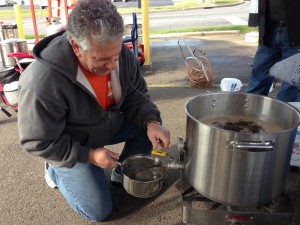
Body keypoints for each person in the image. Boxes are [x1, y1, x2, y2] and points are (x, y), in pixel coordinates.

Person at [17, 0, 170, 222]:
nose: (111, 66)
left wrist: (151, 122)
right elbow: (36, 141)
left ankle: (121, 171)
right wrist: (88, 155)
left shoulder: (119, 55)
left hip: (107, 123)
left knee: (150, 124)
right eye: (102, 59)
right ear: (76, 47)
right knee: (98, 211)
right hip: (71, 140)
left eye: (115, 56)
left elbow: (136, 95)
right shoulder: (41, 82)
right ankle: (53, 170)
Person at [246, 0, 300, 102]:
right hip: (269, 28)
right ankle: (249, 114)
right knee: (258, 76)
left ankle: (284, 117)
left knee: (290, 86)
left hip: (296, 32)